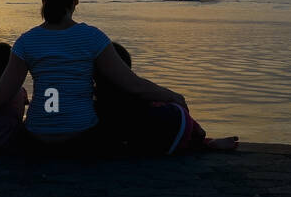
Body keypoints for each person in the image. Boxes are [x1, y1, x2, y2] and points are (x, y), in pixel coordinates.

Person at [0, 0, 187, 156]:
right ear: (76, 0)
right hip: (82, 138)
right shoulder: (92, 38)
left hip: (36, 139)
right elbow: (133, 85)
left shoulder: (26, 42)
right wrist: (173, 96)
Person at [95, 42, 238, 155]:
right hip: (176, 123)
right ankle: (206, 143)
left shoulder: (101, 101)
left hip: (172, 127)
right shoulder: (132, 95)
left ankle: (204, 142)